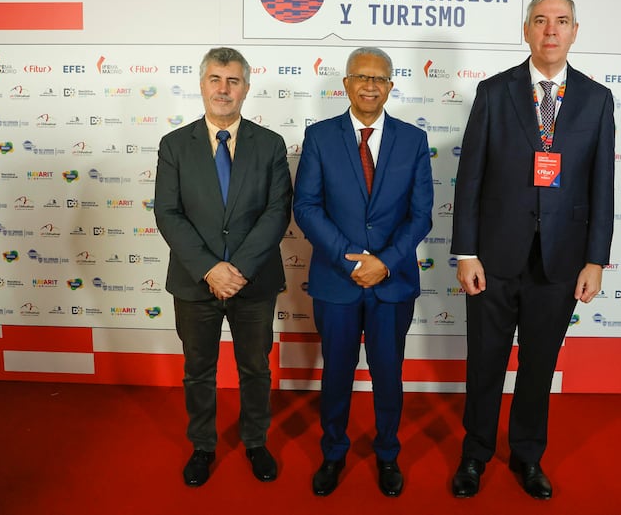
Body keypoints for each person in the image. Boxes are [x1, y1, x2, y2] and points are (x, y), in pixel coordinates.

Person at [450, 0, 615, 500]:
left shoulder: (596, 98)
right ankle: (475, 454)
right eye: (540, 20)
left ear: (574, 32)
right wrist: (466, 252)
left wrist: (595, 259)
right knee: (485, 363)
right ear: (526, 30)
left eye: (561, 21)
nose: (550, 30)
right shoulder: (494, 92)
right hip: (494, 258)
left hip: (561, 262)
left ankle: (527, 455)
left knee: (538, 366)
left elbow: (602, 185)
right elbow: (469, 178)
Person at [293, 47, 433, 497]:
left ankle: (387, 453)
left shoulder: (412, 140)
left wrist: (385, 262)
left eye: (380, 78)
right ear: (346, 83)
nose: (370, 86)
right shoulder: (320, 137)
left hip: (393, 282)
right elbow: (306, 206)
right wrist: (350, 259)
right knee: (336, 371)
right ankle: (333, 452)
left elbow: (421, 215)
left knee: (388, 373)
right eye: (361, 76)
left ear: (390, 86)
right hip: (338, 280)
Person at [154, 47, 292, 487]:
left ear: (246, 88)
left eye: (233, 81)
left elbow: (277, 211)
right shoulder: (175, 145)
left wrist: (239, 269)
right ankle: (203, 446)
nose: (223, 89)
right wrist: (210, 269)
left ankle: (255, 442)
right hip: (195, 282)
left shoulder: (270, 144)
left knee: (255, 368)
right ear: (202, 85)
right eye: (215, 79)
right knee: (199, 370)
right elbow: (168, 213)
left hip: (254, 281)